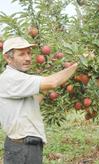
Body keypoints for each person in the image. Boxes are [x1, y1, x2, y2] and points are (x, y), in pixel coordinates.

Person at [0, 36, 78, 164]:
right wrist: (77, 65)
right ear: (8, 58)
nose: (28, 58)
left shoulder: (18, 78)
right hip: (22, 148)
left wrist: (48, 80)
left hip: (26, 146)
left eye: (29, 53)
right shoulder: (11, 78)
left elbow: (35, 101)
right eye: (22, 54)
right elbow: (53, 82)